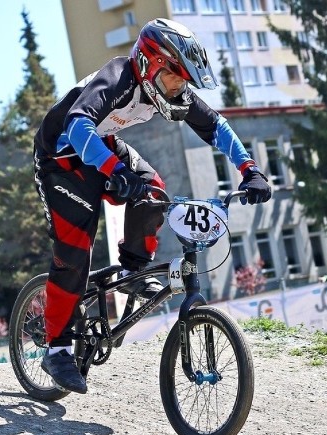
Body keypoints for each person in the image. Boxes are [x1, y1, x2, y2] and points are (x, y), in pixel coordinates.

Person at [33, 18, 272, 395]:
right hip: (60, 159)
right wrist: (113, 170)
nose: (179, 90)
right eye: (174, 80)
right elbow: (78, 126)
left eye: (184, 82)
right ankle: (57, 347)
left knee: (154, 191)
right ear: (148, 66)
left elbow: (216, 126)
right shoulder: (117, 78)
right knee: (75, 251)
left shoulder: (168, 88)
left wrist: (250, 168)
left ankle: (134, 269)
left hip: (101, 146)